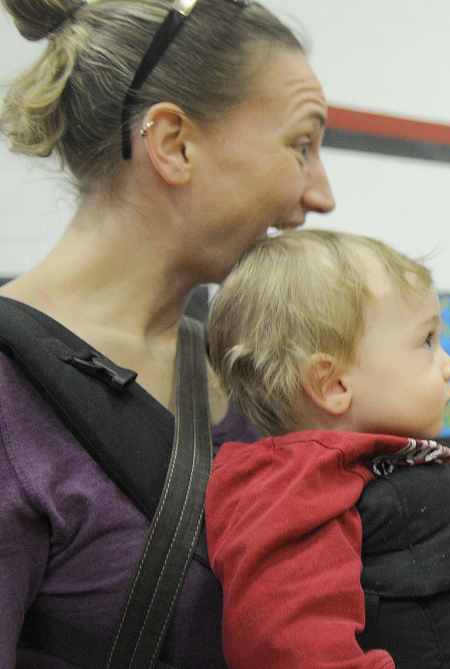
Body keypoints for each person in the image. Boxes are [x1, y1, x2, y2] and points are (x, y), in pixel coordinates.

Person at [0, 0, 335, 666]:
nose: (321, 194)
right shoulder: (11, 396)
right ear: (175, 143)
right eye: (302, 144)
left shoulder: (234, 372)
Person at [204, 229, 450, 669]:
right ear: (333, 384)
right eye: (426, 342)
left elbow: (422, 546)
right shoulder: (292, 491)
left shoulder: (372, 470)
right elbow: (289, 643)